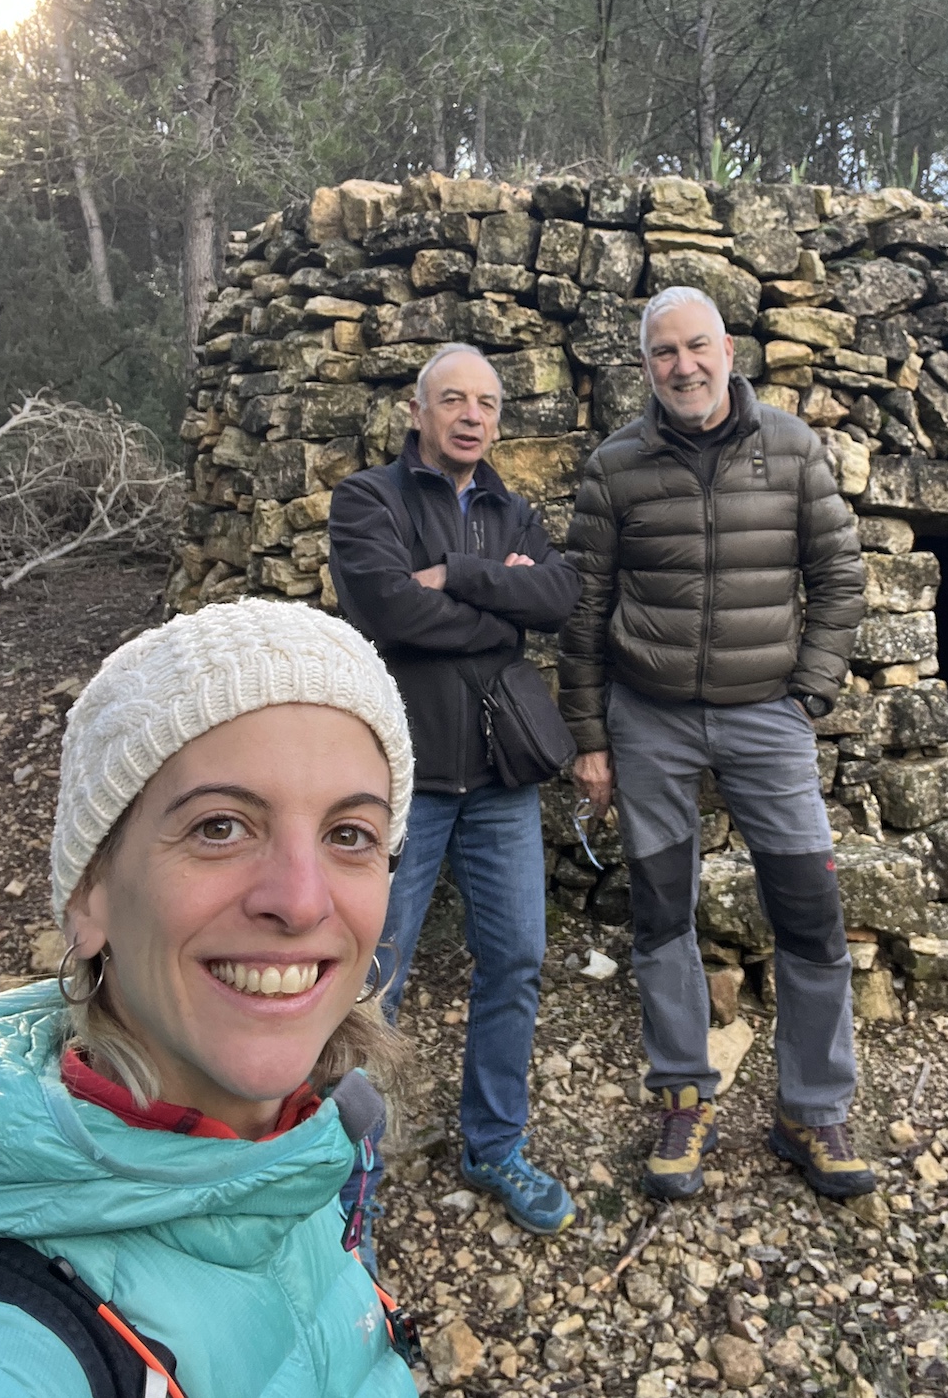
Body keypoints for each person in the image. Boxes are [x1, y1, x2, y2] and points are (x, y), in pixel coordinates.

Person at [0, 598, 419, 1397]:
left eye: (350, 834)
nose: (303, 902)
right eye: (220, 826)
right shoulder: (11, 1340)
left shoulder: (316, 1131)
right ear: (89, 894)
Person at [560, 285, 875, 1202]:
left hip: (765, 713)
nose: (683, 367)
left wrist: (807, 691)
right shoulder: (615, 465)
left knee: (809, 912)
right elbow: (582, 612)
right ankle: (681, 1095)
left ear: (727, 349)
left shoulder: (789, 446)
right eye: (664, 353)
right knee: (661, 915)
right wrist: (589, 734)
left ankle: (811, 1111)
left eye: (696, 347)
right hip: (647, 719)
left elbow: (839, 574)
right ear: (646, 365)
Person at [328, 342, 581, 1236]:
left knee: (515, 959)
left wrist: (460, 579)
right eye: (453, 401)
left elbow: (556, 598)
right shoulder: (369, 498)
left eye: (487, 403)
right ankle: (347, 1175)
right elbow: (387, 610)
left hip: (501, 782)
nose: (472, 416)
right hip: (404, 781)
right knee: (369, 982)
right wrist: (495, 606)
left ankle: (493, 1145)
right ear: (417, 409)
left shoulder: (513, 506)